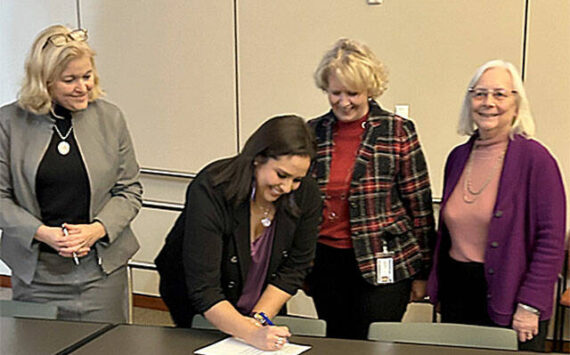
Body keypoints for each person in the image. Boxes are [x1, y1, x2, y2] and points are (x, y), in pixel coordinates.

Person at [0, 25, 142, 323]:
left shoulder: (110, 118)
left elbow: (129, 190)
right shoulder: (8, 123)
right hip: (36, 274)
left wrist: (97, 229)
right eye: (70, 80)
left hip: (101, 272)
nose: (83, 87)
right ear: (45, 81)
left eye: (87, 76)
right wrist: (44, 234)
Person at [427, 60, 566, 352]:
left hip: (512, 293)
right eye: (479, 94)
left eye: (500, 94)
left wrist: (530, 305)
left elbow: (551, 240)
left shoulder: (536, 160)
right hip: (458, 292)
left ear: (517, 104)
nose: (488, 102)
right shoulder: (458, 157)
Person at [155, 115, 321, 351]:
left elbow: (295, 267)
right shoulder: (213, 187)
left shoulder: (306, 194)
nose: (286, 188)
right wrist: (252, 333)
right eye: (281, 175)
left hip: (260, 301)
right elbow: (204, 289)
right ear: (257, 159)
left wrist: (257, 321)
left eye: (296, 180)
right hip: (199, 300)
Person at [307, 38, 436, 340]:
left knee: (376, 341)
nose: (343, 102)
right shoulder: (312, 131)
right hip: (326, 263)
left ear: (370, 90)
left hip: (385, 260)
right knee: (336, 341)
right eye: (335, 92)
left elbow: (419, 204)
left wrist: (423, 273)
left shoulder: (397, 130)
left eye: (353, 93)